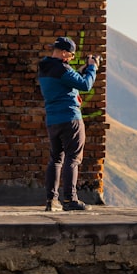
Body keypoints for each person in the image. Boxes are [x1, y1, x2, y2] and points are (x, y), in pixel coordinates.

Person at [38, 36, 100, 211]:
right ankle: (70, 200)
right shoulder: (63, 69)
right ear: (64, 53)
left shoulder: (45, 67)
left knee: (56, 159)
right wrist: (92, 68)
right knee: (73, 158)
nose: (71, 58)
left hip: (52, 120)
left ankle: (51, 200)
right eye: (71, 55)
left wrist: (79, 70)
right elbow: (86, 85)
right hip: (70, 118)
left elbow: (64, 82)